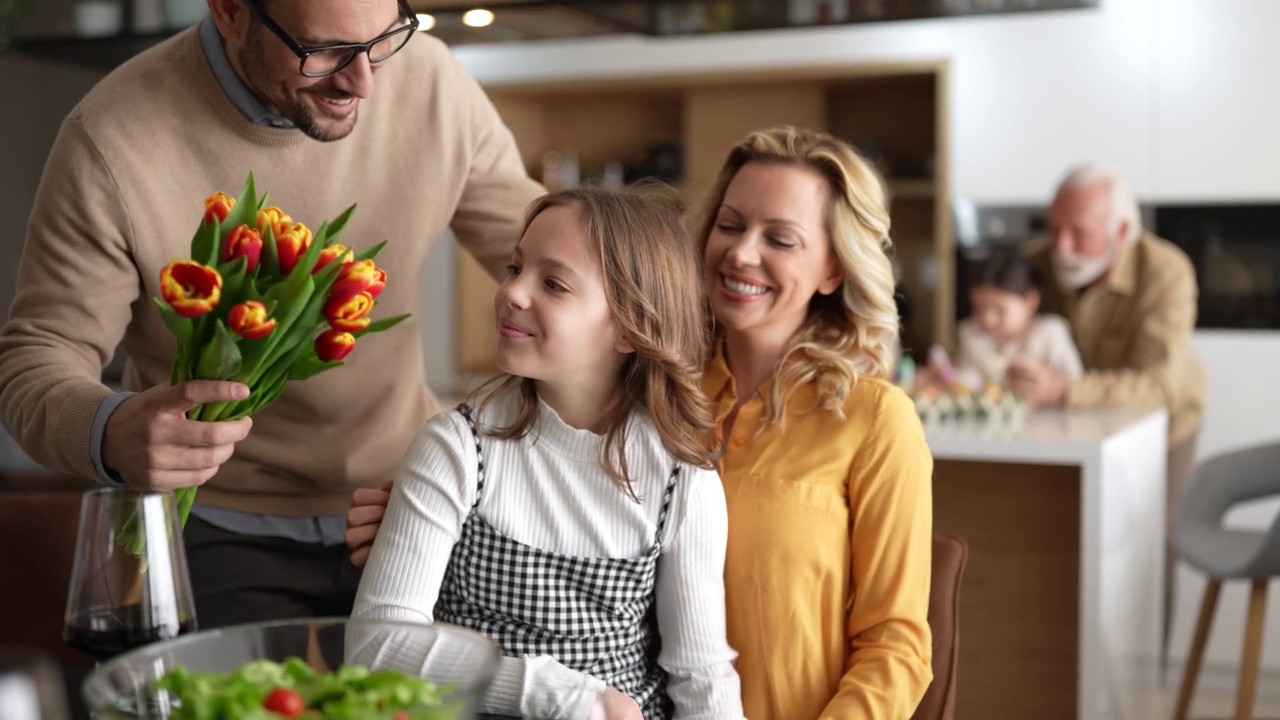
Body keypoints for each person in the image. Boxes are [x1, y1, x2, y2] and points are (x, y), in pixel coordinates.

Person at [348, 126, 934, 719]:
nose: (742, 253)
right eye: (729, 225)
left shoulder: (873, 420)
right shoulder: (649, 382)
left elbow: (893, 644)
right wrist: (427, 526)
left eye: (780, 239)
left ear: (834, 269)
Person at [0, 0, 544, 628]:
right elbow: (36, 358)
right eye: (324, 52)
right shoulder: (111, 137)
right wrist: (109, 429)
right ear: (230, 11)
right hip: (215, 524)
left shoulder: (430, 79)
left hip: (407, 506)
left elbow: (554, 252)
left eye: (385, 38)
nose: (363, 81)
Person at [349, 186, 744, 720]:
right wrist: (564, 697)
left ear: (630, 329)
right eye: (515, 267)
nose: (512, 291)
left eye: (553, 283)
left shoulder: (684, 484)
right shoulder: (455, 448)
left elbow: (702, 680)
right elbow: (377, 650)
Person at [1006, 163, 1206, 652]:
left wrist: (1062, 389)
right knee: (1052, 546)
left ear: (1121, 232)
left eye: (1079, 234)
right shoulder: (1032, 264)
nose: (1061, 248)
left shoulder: (1167, 272)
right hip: (1066, 431)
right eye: (1053, 230)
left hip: (1162, 429)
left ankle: (1144, 682)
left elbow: (1158, 387)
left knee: (1146, 554)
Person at [952, 248, 1083, 391]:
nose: (987, 319)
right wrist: (948, 377)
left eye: (999, 310)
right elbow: (968, 380)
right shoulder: (970, 333)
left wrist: (1051, 383)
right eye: (978, 308)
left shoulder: (1050, 333)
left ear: (1030, 301)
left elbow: (1077, 383)